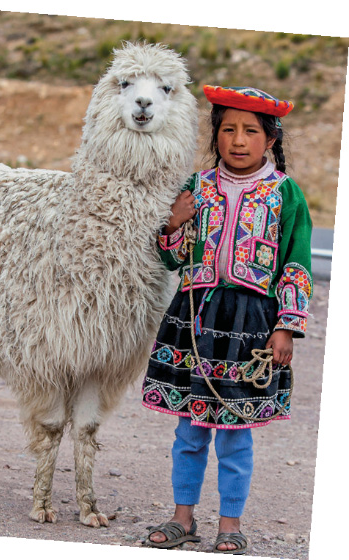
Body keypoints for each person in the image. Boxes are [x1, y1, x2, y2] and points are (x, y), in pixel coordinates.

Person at [142, 85, 313, 554]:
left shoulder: (286, 195)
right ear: (216, 135)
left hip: (251, 325)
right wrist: (173, 224)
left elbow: (297, 263)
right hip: (194, 317)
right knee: (190, 429)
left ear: (271, 139)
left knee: (235, 435)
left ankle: (230, 525)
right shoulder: (197, 187)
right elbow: (174, 259)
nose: (238, 140)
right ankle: (183, 519)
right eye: (228, 129)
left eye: (251, 131)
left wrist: (286, 325)